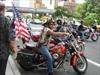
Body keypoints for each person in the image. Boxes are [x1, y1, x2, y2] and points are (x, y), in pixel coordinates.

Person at [0, 2, 16, 75]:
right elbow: (11, 38)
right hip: (3, 53)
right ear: (3, 9)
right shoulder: (6, 21)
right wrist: (13, 49)